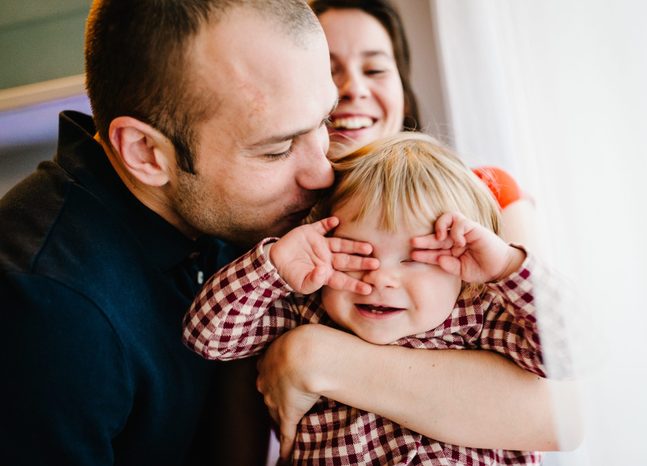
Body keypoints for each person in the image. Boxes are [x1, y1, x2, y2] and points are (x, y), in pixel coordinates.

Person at [0, 1, 340, 464]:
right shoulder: (45, 310)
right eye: (277, 150)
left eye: (324, 121)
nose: (323, 172)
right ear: (145, 152)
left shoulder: (233, 213)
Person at [184, 132, 570, 464]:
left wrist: (506, 266)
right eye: (356, 254)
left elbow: (568, 354)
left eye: (414, 259)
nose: (381, 278)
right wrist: (274, 267)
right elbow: (208, 337)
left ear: (464, 270)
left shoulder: (482, 315)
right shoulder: (307, 309)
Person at [309, 0, 538, 248]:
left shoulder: (489, 194)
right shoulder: (278, 226)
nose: (353, 88)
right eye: (328, 71)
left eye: (374, 70)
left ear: (404, 95)